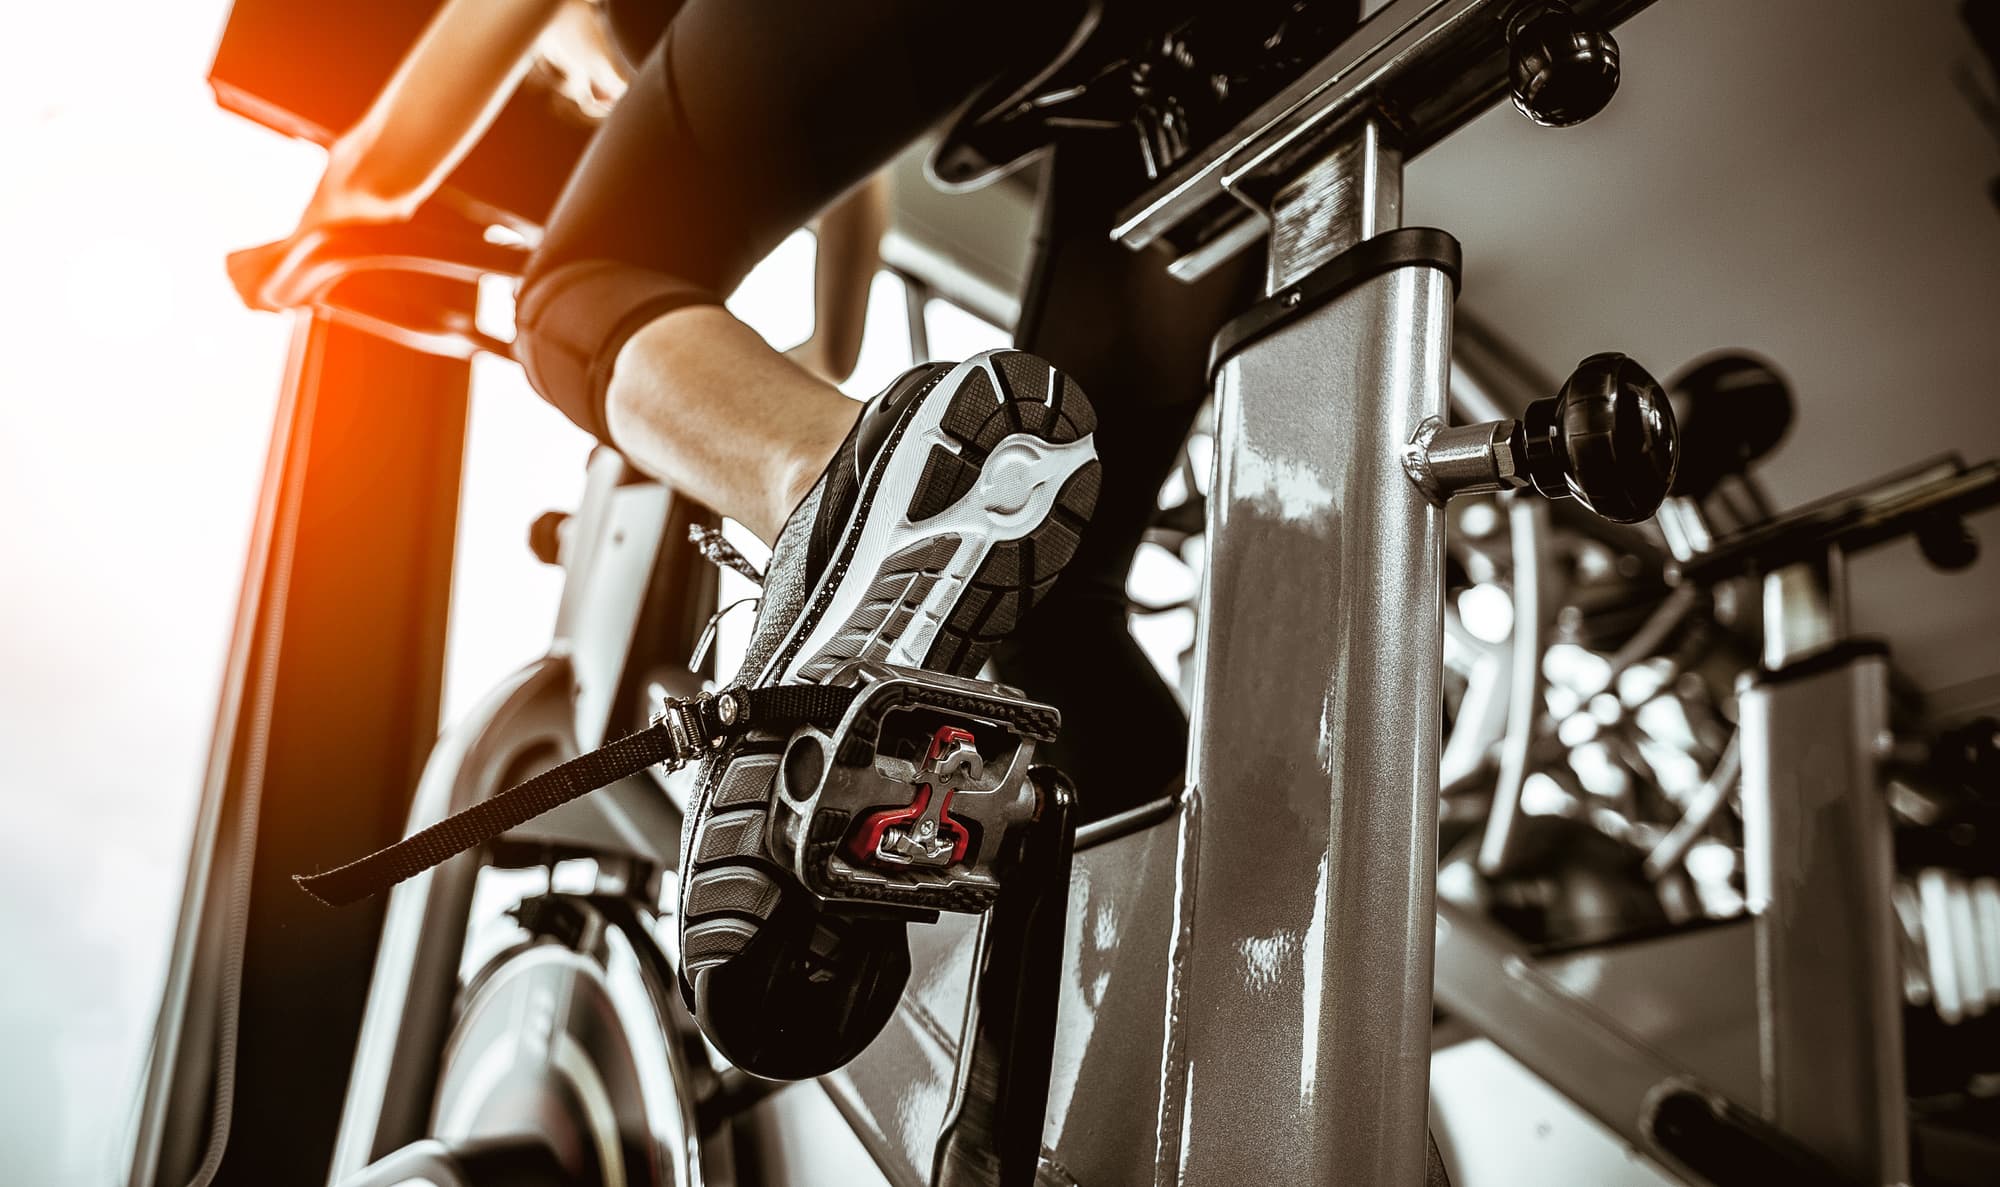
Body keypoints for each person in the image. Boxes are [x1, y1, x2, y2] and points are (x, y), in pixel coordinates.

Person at [230, 0, 887, 386]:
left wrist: (289, 258)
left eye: (549, 70)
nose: (584, 98)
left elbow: (378, 171)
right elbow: (858, 166)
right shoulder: (775, 75)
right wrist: (824, 346)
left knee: (571, 303)